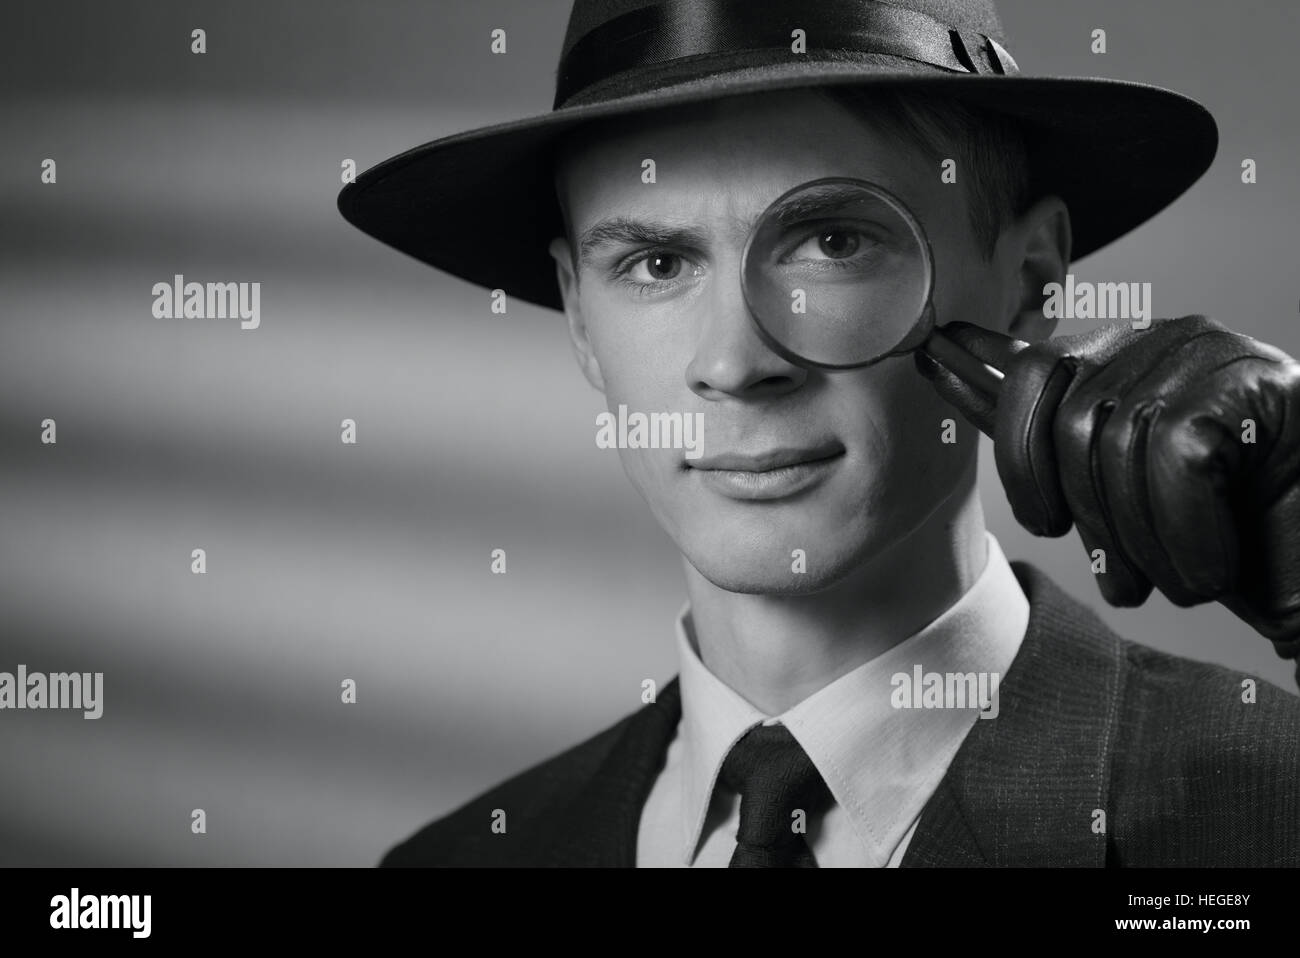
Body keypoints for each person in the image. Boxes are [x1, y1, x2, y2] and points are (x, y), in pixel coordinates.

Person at [338, 0, 1300, 866]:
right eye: (656, 261)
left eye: (833, 242)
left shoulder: (1267, 814)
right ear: (581, 320)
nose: (735, 362)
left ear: (1033, 281)